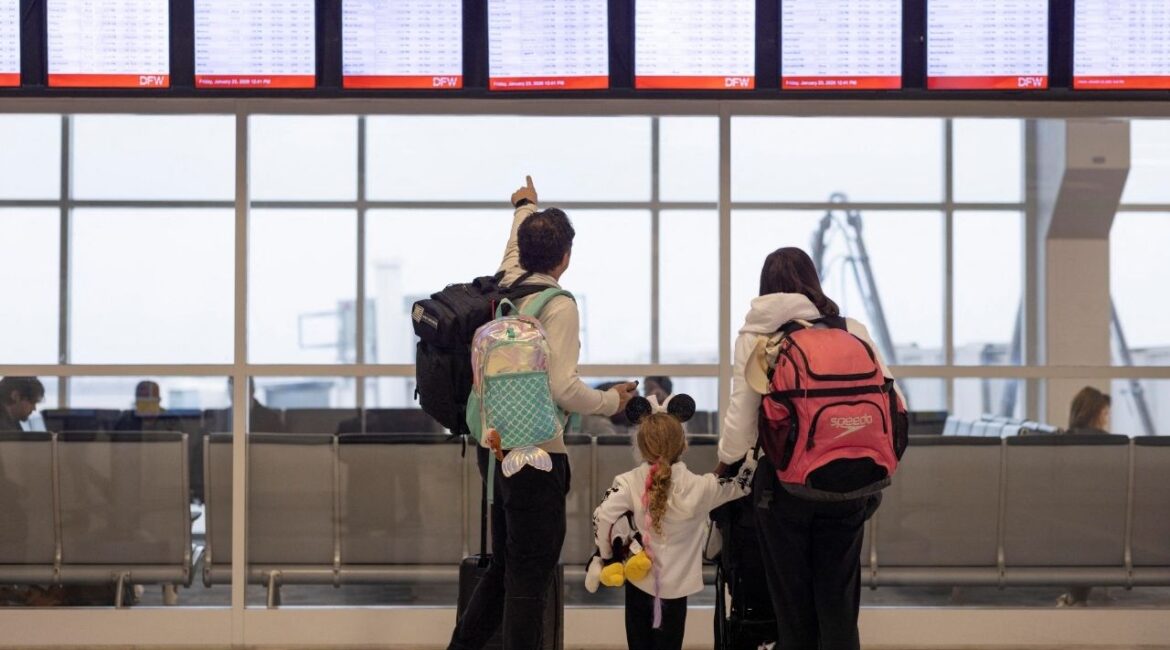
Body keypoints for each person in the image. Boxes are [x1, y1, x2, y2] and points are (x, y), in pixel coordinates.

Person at [448, 177, 639, 650]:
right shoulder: (558, 305)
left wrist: (524, 207)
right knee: (529, 580)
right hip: (539, 458)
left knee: (505, 570)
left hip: (494, 454)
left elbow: (515, 246)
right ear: (566, 256)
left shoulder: (506, 284)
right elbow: (562, 387)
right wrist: (612, 402)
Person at [716, 247, 900, 650]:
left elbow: (742, 417)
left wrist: (726, 464)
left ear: (765, 286)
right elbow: (891, 400)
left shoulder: (758, 335)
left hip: (785, 486)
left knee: (791, 604)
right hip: (853, 483)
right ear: (813, 282)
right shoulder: (851, 329)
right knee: (838, 602)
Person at [592, 409, 749, 650]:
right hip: (676, 592)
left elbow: (603, 516)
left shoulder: (627, 482)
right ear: (683, 445)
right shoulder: (702, 487)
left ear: (641, 447)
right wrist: (752, 456)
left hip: (638, 583)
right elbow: (741, 485)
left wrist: (606, 555)